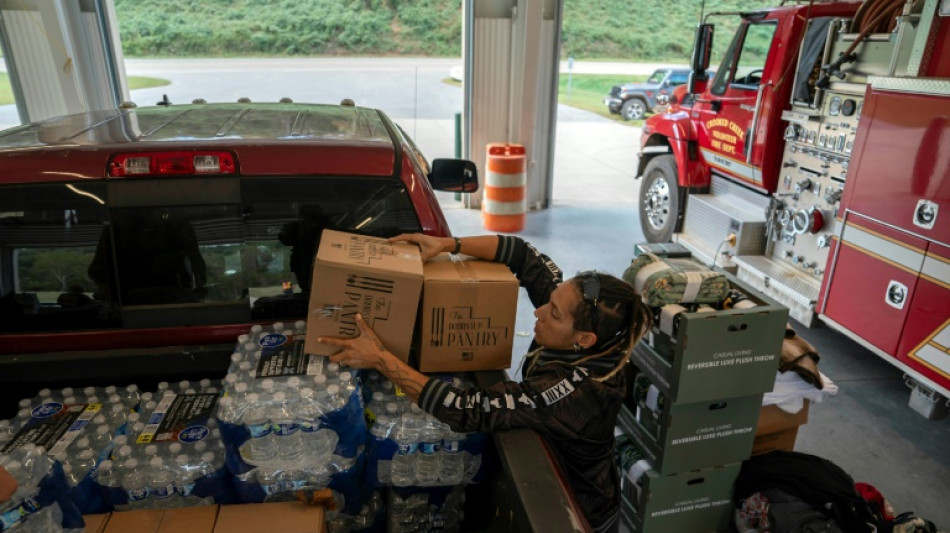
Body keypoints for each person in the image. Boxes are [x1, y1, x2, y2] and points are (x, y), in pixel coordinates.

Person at [318, 233, 651, 533]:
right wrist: (449, 244)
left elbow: (467, 408)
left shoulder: (573, 392)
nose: (539, 312)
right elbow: (523, 253)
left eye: (554, 313)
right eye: (550, 302)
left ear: (584, 339)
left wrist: (380, 358)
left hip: (572, 511)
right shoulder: (581, 318)